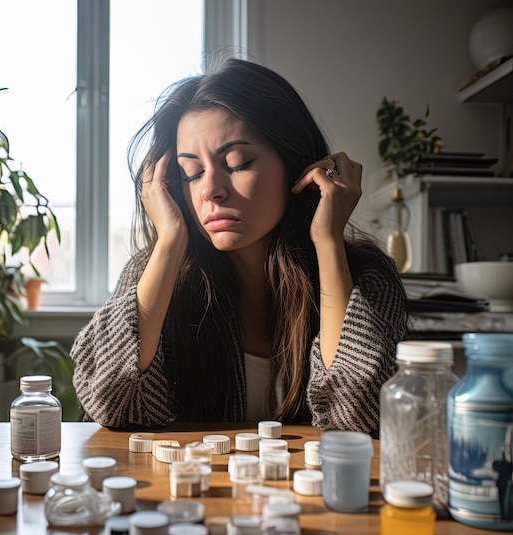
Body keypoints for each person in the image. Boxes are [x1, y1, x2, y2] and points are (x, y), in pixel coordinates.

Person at [70, 58, 408, 435]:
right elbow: (110, 404)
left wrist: (329, 242)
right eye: (191, 173)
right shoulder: (153, 275)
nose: (210, 189)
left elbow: (363, 418)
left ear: (296, 165)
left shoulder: (368, 277)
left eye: (237, 162)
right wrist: (168, 243)